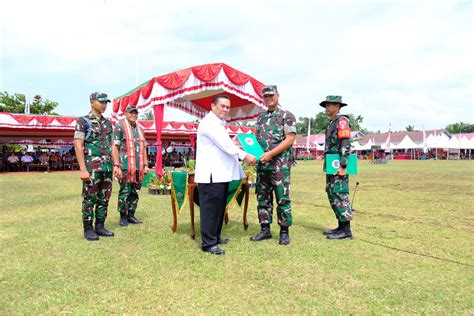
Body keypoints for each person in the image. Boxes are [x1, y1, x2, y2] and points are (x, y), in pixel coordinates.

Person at [195, 95, 256, 255]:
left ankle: (215, 236)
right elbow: (226, 145)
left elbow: (226, 144)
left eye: (227, 107)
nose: (225, 109)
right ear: (213, 106)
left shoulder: (218, 124)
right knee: (210, 209)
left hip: (220, 174)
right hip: (211, 175)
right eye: (222, 106)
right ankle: (208, 243)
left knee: (219, 208)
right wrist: (245, 155)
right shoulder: (209, 123)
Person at [251, 85, 297, 245]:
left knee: (282, 198)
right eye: (265, 96)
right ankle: (265, 229)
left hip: (280, 166)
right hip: (263, 165)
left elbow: (290, 139)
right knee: (263, 198)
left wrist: (270, 154)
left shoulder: (287, 116)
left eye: (271, 95)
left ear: (278, 95)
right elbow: (256, 140)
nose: (268, 98)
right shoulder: (261, 118)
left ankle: (284, 231)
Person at [74, 92, 115, 241]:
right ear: (92, 102)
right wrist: (83, 169)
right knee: (89, 198)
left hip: (107, 167)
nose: (104, 105)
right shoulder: (83, 121)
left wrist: (116, 164)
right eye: (101, 102)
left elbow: (112, 145)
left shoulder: (108, 123)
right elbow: (78, 145)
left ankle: (100, 226)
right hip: (92, 167)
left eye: (106, 102)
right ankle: (88, 229)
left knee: (104, 198)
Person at [320, 95, 353, 240]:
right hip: (331, 162)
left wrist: (343, 164)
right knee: (332, 193)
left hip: (338, 162)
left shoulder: (342, 121)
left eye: (330, 105)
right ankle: (340, 227)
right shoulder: (332, 122)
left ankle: (346, 230)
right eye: (326, 105)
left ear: (338, 106)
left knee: (340, 193)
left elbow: (345, 143)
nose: (327, 108)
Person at [112, 105, 149, 227]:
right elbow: (115, 147)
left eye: (136, 113)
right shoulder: (120, 126)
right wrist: (116, 165)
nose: (134, 115)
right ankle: (123, 216)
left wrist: (145, 164)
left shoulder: (140, 128)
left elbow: (144, 148)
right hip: (125, 166)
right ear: (126, 113)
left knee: (135, 191)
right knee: (125, 191)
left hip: (138, 167)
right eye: (131, 112)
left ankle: (131, 215)